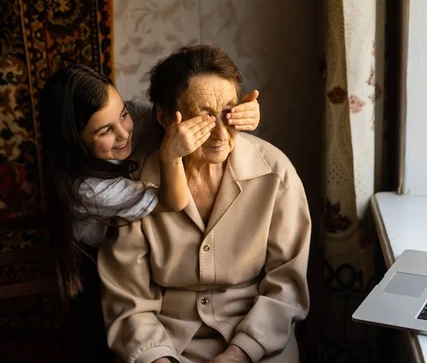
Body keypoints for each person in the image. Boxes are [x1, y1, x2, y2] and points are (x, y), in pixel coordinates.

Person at [98, 45, 311, 363]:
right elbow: (128, 300)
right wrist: (158, 360)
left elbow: (287, 285)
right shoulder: (133, 185)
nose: (222, 133)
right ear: (166, 117)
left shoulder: (275, 171)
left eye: (229, 111)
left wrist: (240, 353)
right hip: (165, 339)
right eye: (205, 116)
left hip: (257, 336)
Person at [39, 64, 261, 297]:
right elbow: (173, 202)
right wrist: (171, 157)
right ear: (76, 142)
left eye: (123, 114)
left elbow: (170, 116)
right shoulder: (86, 189)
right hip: (95, 266)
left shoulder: (132, 116)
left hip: (128, 251)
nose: (124, 133)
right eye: (105, 131)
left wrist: (238, 114)